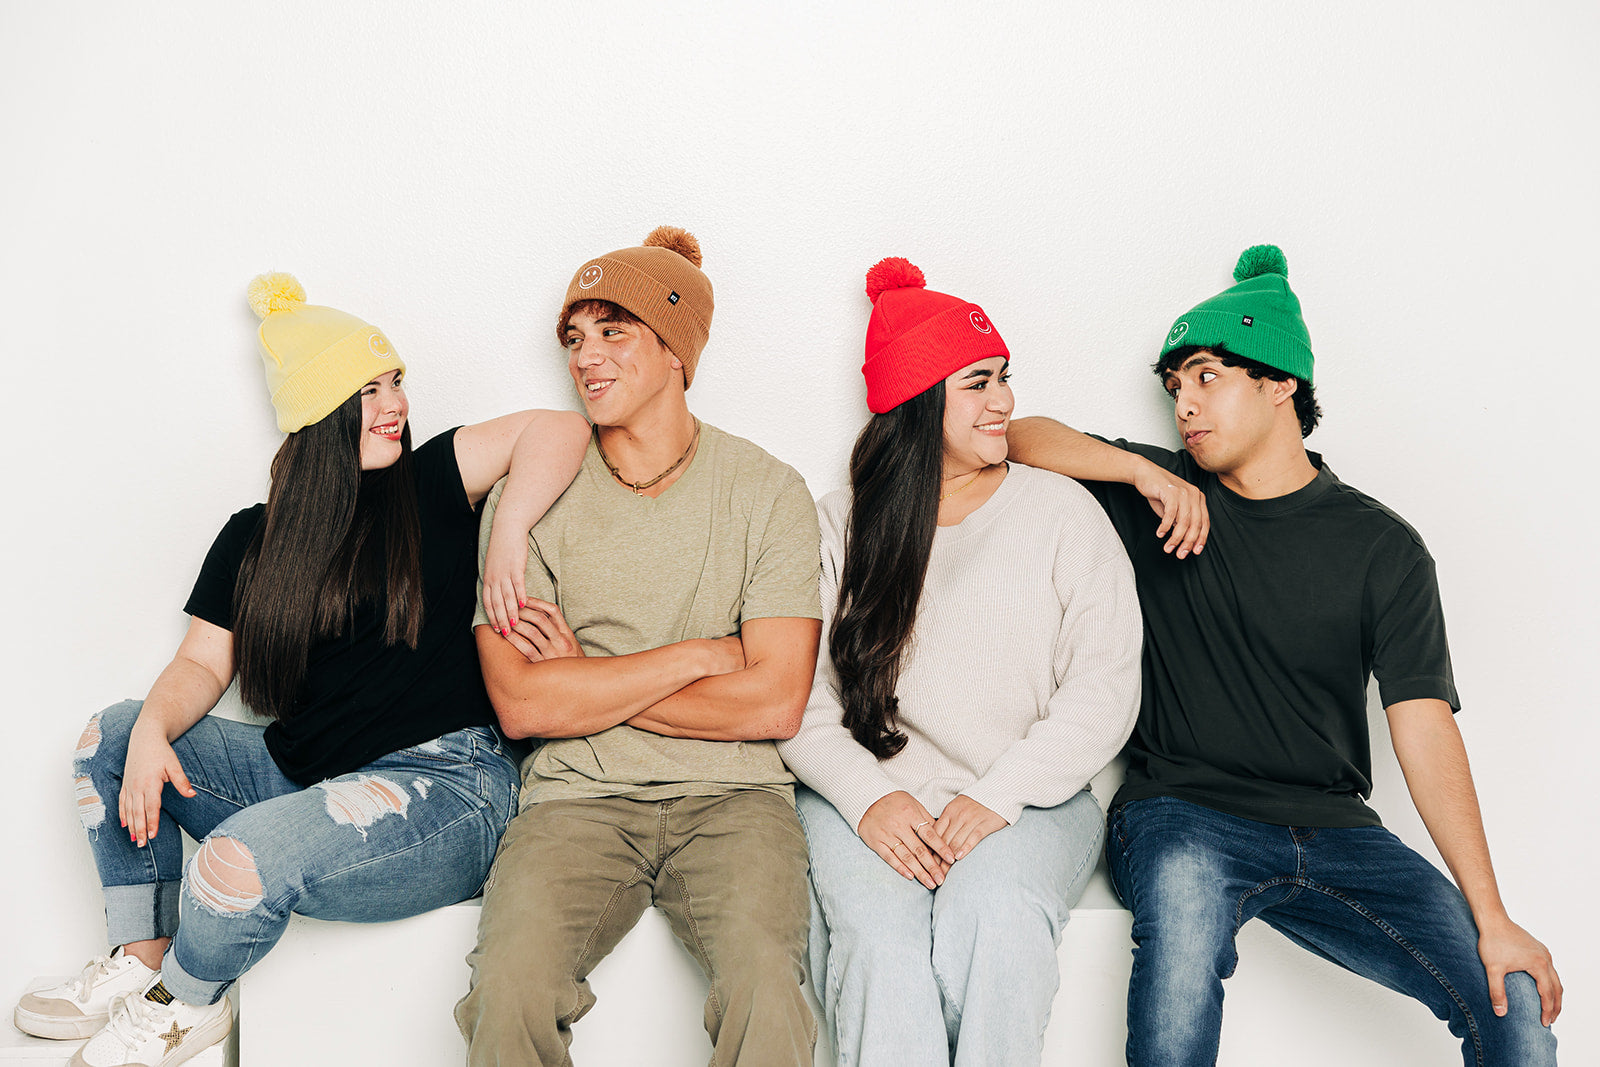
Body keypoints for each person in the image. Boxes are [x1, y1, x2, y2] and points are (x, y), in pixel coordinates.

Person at [1007, 245, 1562, 1066]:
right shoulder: (1162, 494)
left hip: (1339, 831)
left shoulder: (1383, 546)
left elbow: (1424, 727)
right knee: (1182, 951)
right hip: (1184, 812)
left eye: (1206, 376)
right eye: (1174, 387)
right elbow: (1016, 437)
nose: (1184, 406)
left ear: (1279, 383)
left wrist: (1494, 915)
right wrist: (1139, 473)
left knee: (1511, 1002)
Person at [15, 274, 589, 1067]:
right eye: (368, 388)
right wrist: (152, 729)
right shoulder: (252, 538)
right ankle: (142, 960)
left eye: (396, 382)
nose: (394, 402)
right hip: (305, 776)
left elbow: (560, 429)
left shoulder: (430, 482)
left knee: (239, 856)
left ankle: (186, 1001)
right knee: (108, 737)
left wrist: (509, 530)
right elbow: (199, 662)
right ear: (318, 411)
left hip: (451, 788)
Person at [453, 226, 823, 1065]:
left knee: (767, 987)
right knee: (507, 988)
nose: (587, 355)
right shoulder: (526, 502)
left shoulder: (767, 491)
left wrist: (586, 682)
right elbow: (522, 703)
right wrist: (698, 655)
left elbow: (774, 700)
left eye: (614, 330)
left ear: (676, 352)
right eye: (575, 336)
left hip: (736, 801)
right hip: (576, 799)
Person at [776, 258, 1142, 1065]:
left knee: (999, 924)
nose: (1005, 400)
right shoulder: (838, 525)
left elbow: (1105, 686)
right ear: (918, 397)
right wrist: (868, 797)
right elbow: (796, 696)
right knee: (877, 946)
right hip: (863, 800)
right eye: (978, 382)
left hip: (1032, 801)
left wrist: (999, 794)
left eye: (1004, 377)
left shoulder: (1061, 512)